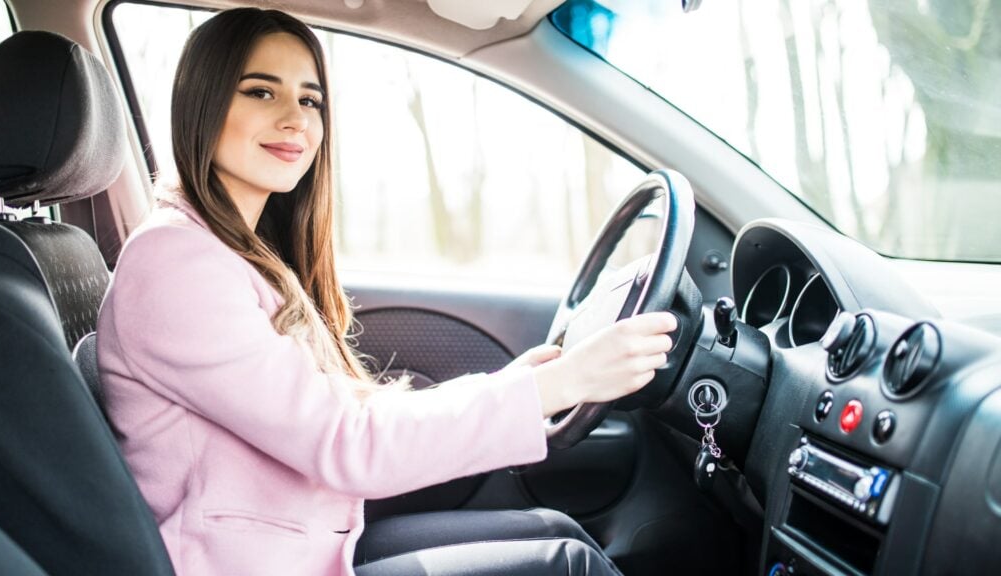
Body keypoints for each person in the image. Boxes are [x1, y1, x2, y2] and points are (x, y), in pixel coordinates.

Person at [97, 7, 678, 576]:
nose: (296, 119)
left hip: (298, 544)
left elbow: (343, 410)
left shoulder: (233, 251)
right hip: (243, 562)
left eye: (310, 99)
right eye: (260, 92)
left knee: (557, 532)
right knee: (567, 564)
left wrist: (515, 384)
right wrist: (559, 383)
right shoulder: (174, 262)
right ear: (202, 104)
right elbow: (348, 443)